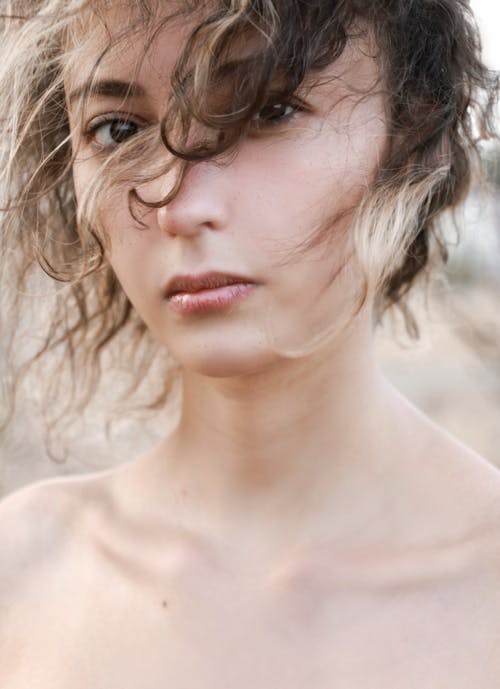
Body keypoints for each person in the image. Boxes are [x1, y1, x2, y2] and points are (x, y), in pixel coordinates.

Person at [0, 0, 499, 686]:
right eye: (118, 129)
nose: (180, 204)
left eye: (267, 110)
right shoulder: (20, 574)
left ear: (412, 132)